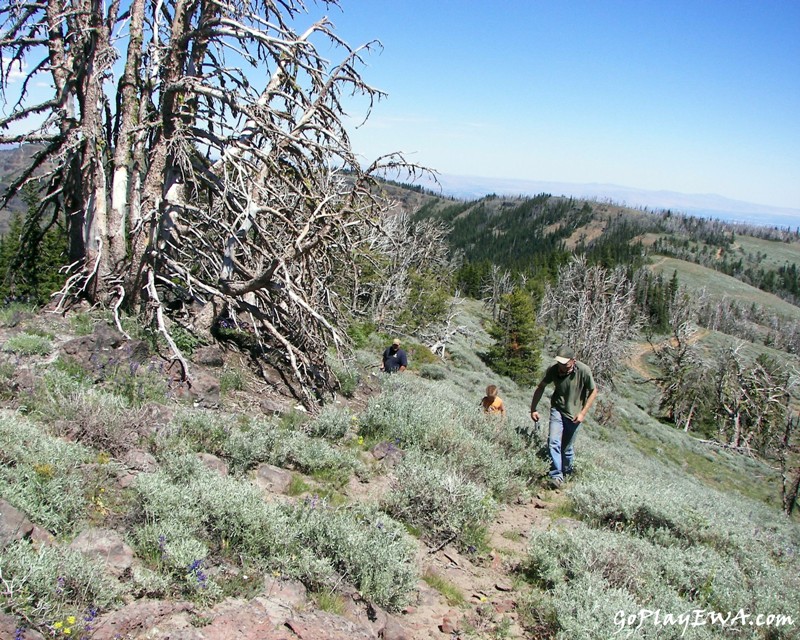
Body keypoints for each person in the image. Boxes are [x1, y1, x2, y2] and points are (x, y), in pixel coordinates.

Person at [530, 345, 597, 489]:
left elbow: (593, 391)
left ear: (573, 361)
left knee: (567, 448)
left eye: (565, 364)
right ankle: (556, 476)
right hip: (557, 410)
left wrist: (583, 413)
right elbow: (541, 386)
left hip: (574, 414)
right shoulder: (553, 370)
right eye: (559, 363)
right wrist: (533, 408)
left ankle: (567, 473)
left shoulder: (584, 371)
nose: (562, 367)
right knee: (553, 442)